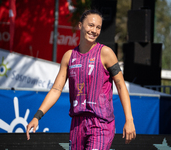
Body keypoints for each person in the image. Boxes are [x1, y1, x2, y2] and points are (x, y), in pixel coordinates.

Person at [26, 9, 136, 150]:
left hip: (101, 124)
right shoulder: (69, 56)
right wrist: (37, 116)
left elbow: (121, 87)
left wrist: (129, 120)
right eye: (90, 25)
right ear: (80, 25)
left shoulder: (106, 53)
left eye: (98, 27)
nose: (94, 30)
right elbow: (56, 89)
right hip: (77, 124)